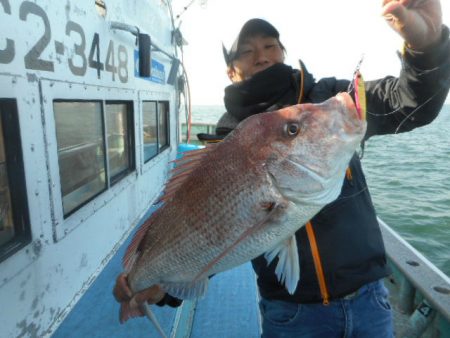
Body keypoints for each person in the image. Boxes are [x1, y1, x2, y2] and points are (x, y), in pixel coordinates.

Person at [114, 0, 450, 336]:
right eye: (246, 51)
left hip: (369, 301)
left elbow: (409, 102)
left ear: (283, 52)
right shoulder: (225, 138)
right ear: (231, 71)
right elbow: (214, 233)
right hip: (290, 314)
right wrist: (161, 288)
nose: (261, 55)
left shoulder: (327, 100)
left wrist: (427, 46)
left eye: (270, 45)